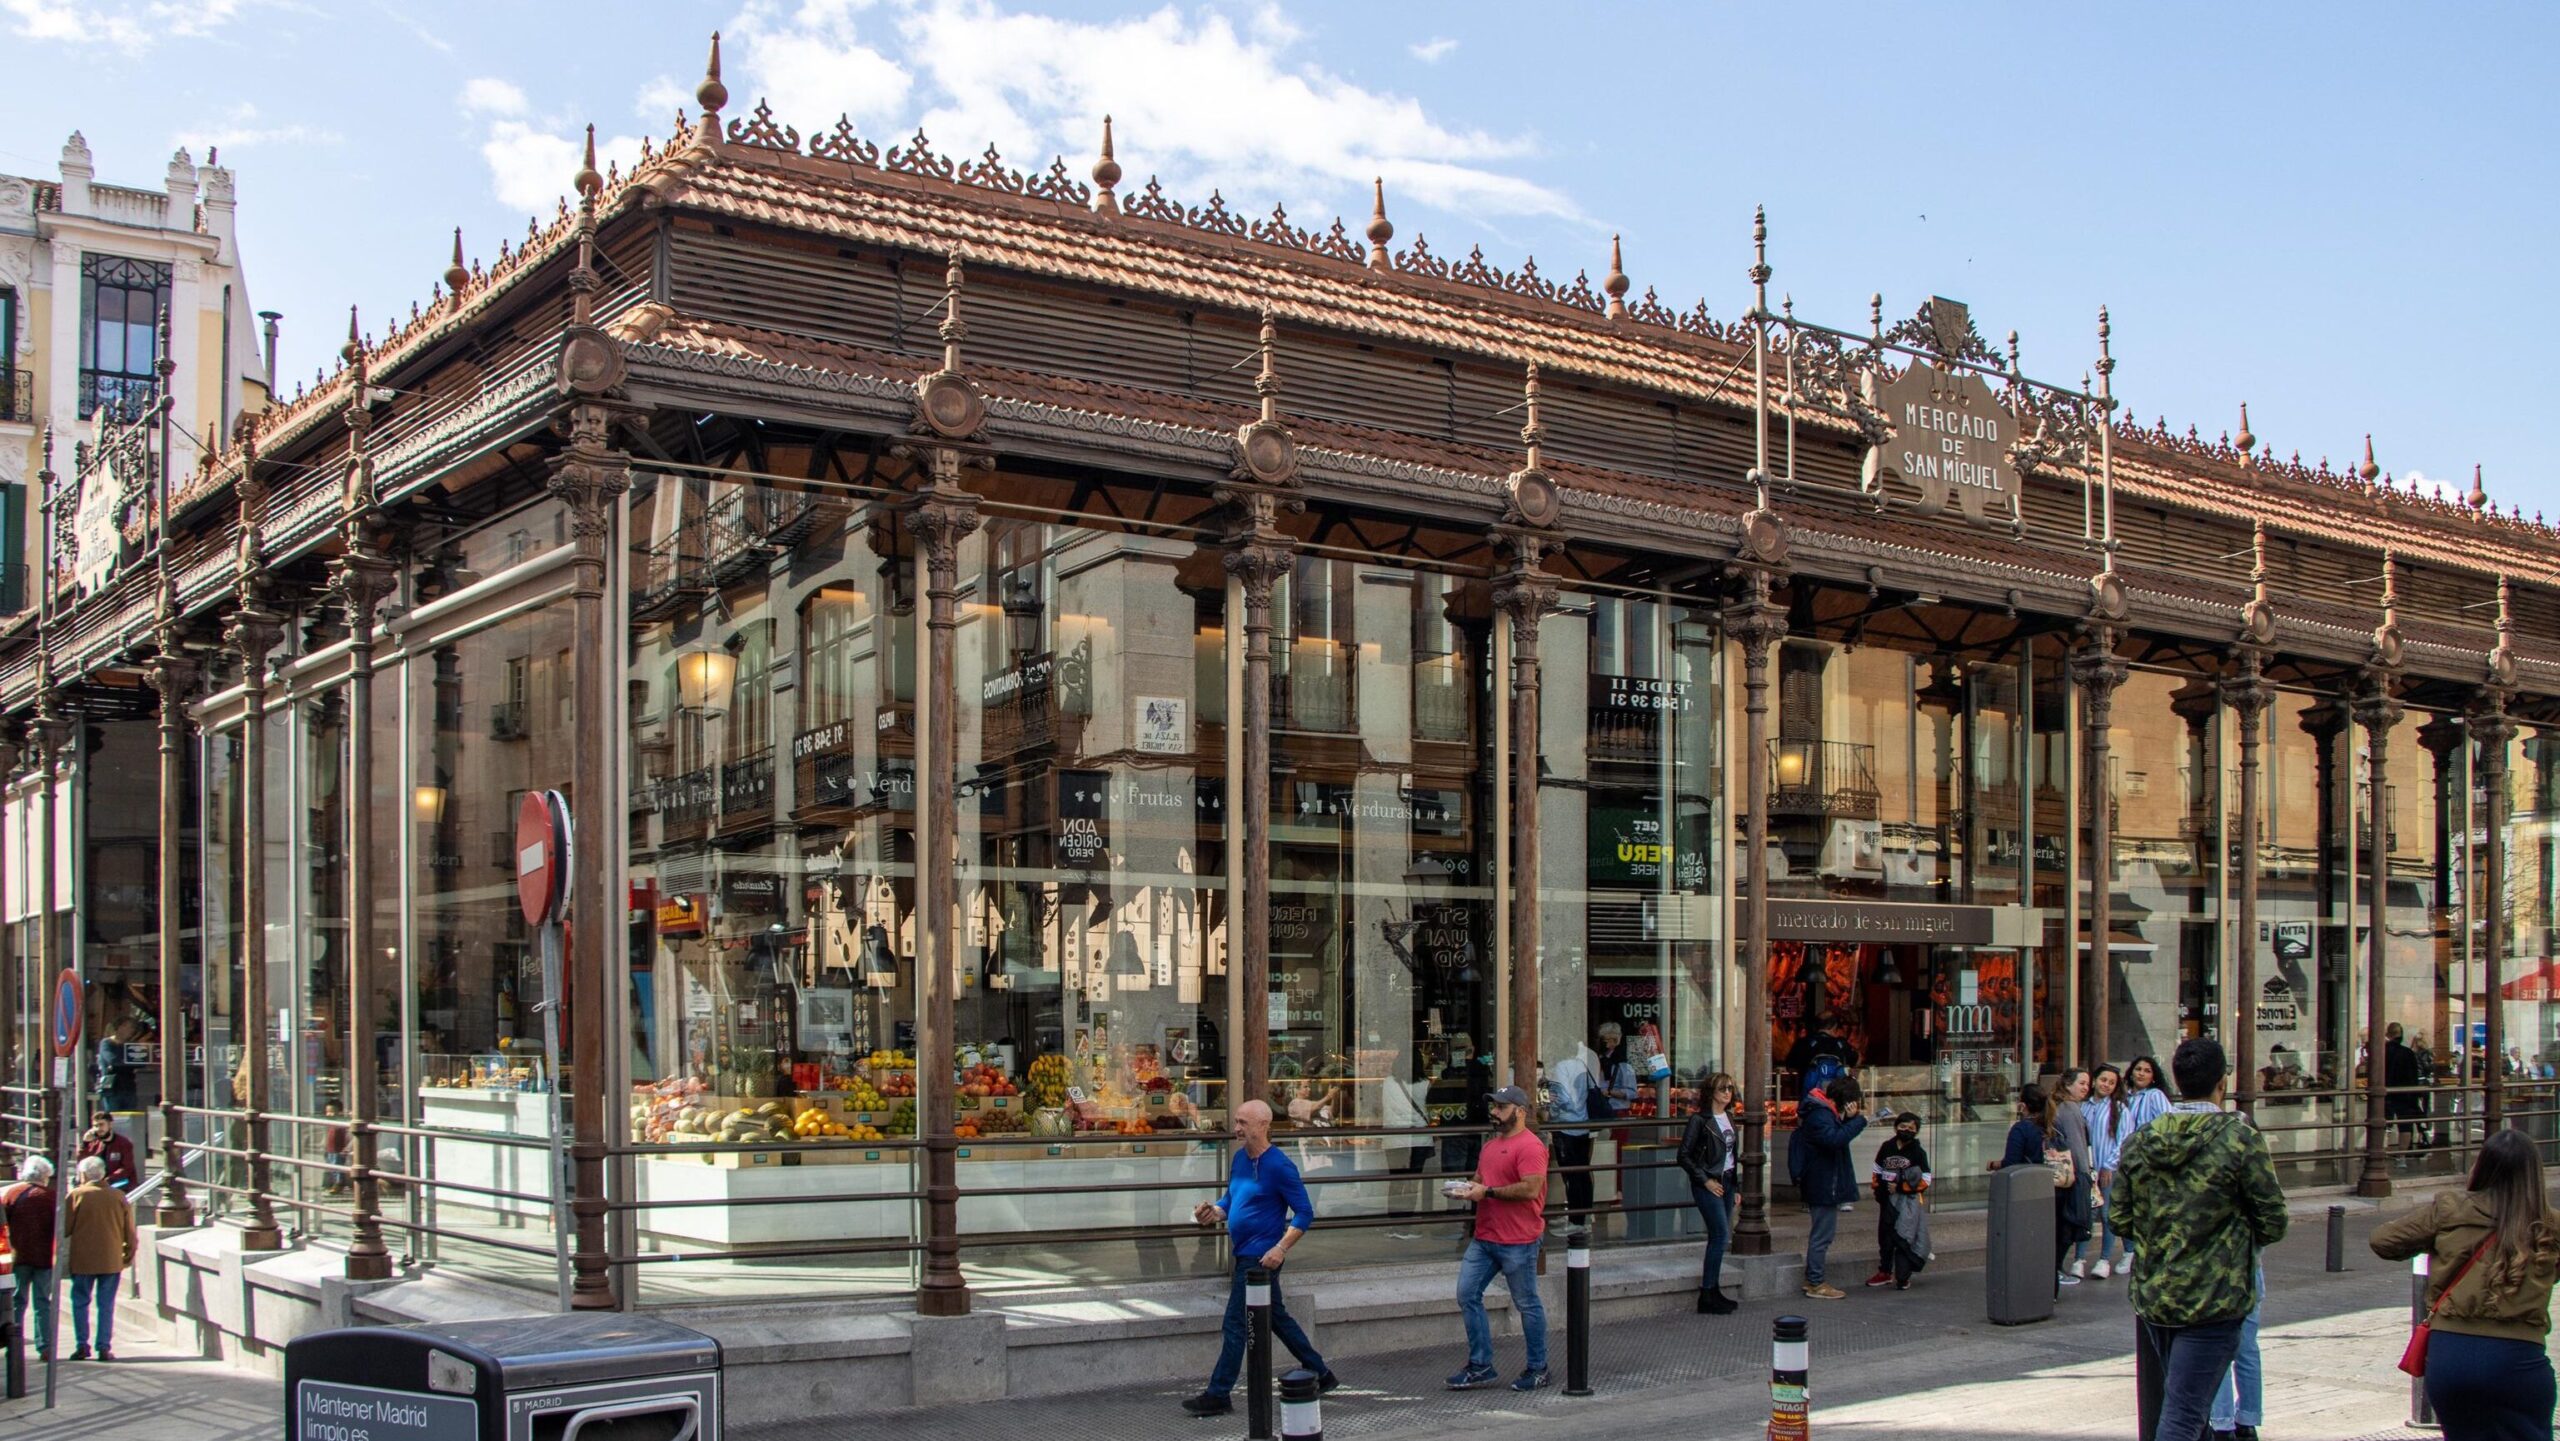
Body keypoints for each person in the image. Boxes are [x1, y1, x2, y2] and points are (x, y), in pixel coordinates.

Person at [2115, 1037, 2288, 1441]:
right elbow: (2273, 1219)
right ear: (2221, 1083)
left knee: (2188, 1404)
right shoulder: (2238, 1138)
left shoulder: (2141, 1140)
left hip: (2157, 1295)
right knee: (2184, 1415)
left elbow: (2120, 1217)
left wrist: (2161, 1235)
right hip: (2216, 1297)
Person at [2370, 1128, 2560, 1440]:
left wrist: (2439, 1246)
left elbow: (2383, 1240)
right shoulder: (2550, 1224)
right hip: (2517, 1358)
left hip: (2451, 1356)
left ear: (2482, 1166)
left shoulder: (2450, 1210)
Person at [1181, 1099, 1337, 1416]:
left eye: (1243, 1123)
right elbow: (1230, 1199)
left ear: (1263, 1126)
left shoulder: (1280, 1166)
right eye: (1236, 1121)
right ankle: (1321, 1372)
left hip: (1260, 1260)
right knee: (1277, 1317)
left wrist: (1280, 1248)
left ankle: (1219, 1393)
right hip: (1244, 1254)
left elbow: (1305, 1212)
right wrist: (1212, 1212)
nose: (1237, 1128)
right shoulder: (1240, 1159)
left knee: (1236, 1323)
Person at [1446, 1085, 1551, 1392]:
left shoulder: (1530, 1147)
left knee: (1527, 1303)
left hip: (1519, 1239)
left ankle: (1537, 1367)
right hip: (1486, 1236)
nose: (1494, 1112)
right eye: (1493, 1107)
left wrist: (1486, 1192)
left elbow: (1531, 1188)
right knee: (1467, 1294)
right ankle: (1481, 1365)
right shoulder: (1491, 1145)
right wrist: (1465, 1189)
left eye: (1501, 1107)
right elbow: (1480, 1181)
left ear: (1520, 1111)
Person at [1788, 1072, 1866, 1300]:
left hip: (1823, 1180)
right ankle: (1815, 1281)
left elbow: (1836, 1136)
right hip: (1822, 1182)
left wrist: (1850, 1121)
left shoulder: (1821, 1112)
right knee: (1823, 1234)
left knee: (1823, 1233)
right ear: (1847, 1100)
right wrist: (1858, 1121)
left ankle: (1814, 1278)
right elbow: (1833, 1140)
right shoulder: (1821, 1115)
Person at [1677, 1072, 1741, 1313]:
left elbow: (1732, 1156)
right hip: (1709, 1183)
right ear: (1711, 1091)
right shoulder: (1699, 1120)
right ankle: (1707, 1292)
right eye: (1723, 1088)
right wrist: (1705, 1180)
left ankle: (1713, 1289)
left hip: (1725, 1182)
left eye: (1730, 1089)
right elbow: (1683, 1155)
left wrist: (1736, 1187)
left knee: (1721, 1237)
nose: (1727, 1093)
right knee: (1720, 1235)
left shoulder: (1729, 1118)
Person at [64, 1154, 136, 1361]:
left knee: (80, 1302)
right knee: (106, 1304)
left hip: (83, 1260)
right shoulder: (118, 1196)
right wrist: (128, 1255)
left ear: (83, 1174)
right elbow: (129, 1231)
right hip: (110, 1259)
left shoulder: (77, 1195)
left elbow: (66, 1228)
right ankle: (104, 1346)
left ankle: (81, 1345)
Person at [1866, 1110, 1932, 1290]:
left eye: (1911, 1128)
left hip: (1908, 1203)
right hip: (1887, 1201)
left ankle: (1903, 1275)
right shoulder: (1886, 1147)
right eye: (1903, 1126)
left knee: (1904, 1236)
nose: (1906, 1130)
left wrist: (1903, 1187)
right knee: (1885, 1236)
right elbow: (1877, 1170)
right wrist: (1879, 1192)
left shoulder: (1918, 1152)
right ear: (1895, 1127)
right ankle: (1885, 1271)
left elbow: (1926, 1179)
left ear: (1916, 1131)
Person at [2120, 1054, 2171, 1276]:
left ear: (2153, 1077)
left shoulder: (2154, 1096)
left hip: (2147, 1159)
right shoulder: (2124, 1098)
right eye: (2138, 1068)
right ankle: (2130, 1249)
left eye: (2147, 1070)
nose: (2141, 1073)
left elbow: (2166, 1123)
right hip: (2125, 1159)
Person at [4, 1155, 59, 1360]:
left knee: (16, 1301)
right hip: (44, 1259)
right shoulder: (51, 1197)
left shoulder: (12, 1194)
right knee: (42, 1302)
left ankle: (13, 1343)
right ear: (44, 1176)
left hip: (17, 1258)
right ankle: (44, 1346)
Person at [2079, 1064, 2131, 1279]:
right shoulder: (2083, 1107)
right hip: (2087, 1171)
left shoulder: (2119, 1109)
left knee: (2108, 1214)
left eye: (2111, 1082)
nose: (2106, 1085)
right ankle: (2079, 1259)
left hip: (2108, 1171)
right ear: (2094, 1081)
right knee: (2086, 1215)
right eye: (2103, 1080)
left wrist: (2109, 1165)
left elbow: (2124, 1140)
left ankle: (2104, 1259)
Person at [1546, 1045, 1602, 1227]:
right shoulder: (1583, 1066)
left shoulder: (1561, 1067)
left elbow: (1563, 1098)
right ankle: (1583, 1217)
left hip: (1565, 1125)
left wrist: (1550, 1105)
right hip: (1583, 1124)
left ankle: (1575, 1220)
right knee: (1582, 1172)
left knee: (1571, 1175)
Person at [2052, 1068, 2097, 1287]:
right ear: (2068, 1084)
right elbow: (2076, 1144)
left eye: (2088, 1084)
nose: (2085, 1088)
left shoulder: (2064, 1107)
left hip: (2068, 1174)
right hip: (2074, 1174)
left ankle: (2056, 1268)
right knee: (2069, 1225)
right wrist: (2085, 1174)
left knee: (2065, 1225)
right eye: (2081, 1083)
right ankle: (2056, 1268)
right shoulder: (2069, 1109)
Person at [2384, 1022, 2428, 1153]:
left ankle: (2380, 1153)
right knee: (2405, 1126)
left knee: (2381, 1124)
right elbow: (2413, 1076)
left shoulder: (2381, 1052)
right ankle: (2402, 1156)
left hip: (2385, 1094)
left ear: (2388, 1034)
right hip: (2405, 1095)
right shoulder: (2408, 1053)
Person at [75, 1110, 141, 1192]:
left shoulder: (123, 1143)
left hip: (118, 1183)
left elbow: (127, 1168)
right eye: (95, 1126)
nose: (98, 1129)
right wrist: (84, 1144)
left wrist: (109, 1179)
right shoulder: (93, 1143)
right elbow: (82, 1163)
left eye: (101, 1125)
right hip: (96, 1184)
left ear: (110, 1125)